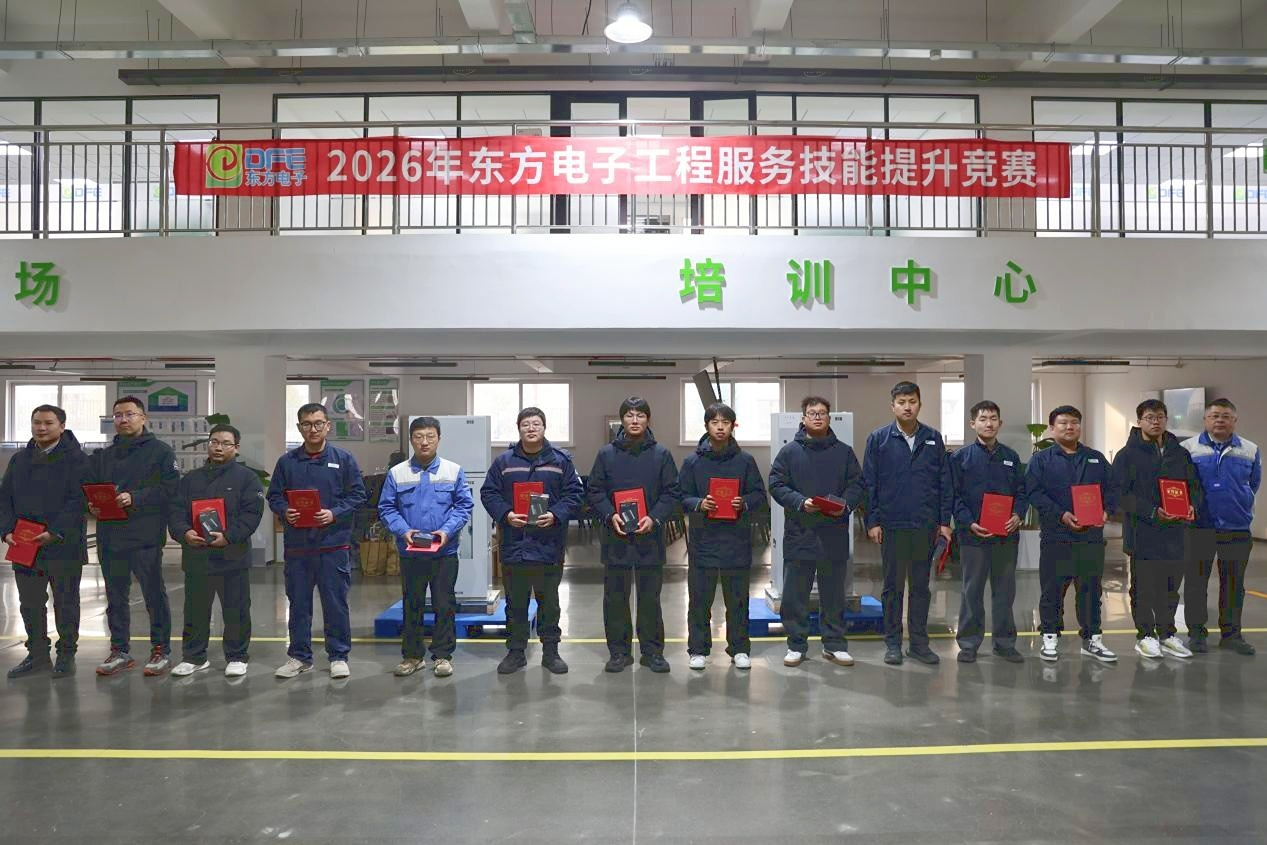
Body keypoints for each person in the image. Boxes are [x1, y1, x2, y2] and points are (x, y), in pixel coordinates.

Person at [480, 407, 583, 675]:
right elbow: (488, 492)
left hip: (548, 545)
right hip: (514, 544)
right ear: (519, 428)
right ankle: (516, 652)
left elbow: (575, 494)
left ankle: (551, 652)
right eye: (526, 424)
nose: (531, 428)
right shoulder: (504, 462)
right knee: (516, 603)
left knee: (549, 602)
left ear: (544, 428)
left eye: (536, 424)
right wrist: (506, 514)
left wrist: (555, 514)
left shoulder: (560, 461)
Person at [267, 403, 367, 680]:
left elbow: (358, 495)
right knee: (298, 603)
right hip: (298, 547)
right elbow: (274, 496)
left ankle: (338, 656)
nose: (313, 429)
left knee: (335, 603)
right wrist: (285, 510)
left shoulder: (343, 459)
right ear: (299, 427)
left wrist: (334, 513)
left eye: (318, 423)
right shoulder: (287, 462)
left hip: (333, 545)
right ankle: (300, 657)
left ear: (328, 426)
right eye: (307, 424)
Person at [586, 397, 681, 674]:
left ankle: (652, 652)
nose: (635, 420)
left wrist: (654, 518)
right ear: (622, 420)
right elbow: (594, 491)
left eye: (640, 415)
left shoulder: (661, 454)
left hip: (649, 537)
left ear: (648, 420)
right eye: (629, 415)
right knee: (615, 597)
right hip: (616, 537)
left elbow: (672, 492)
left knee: (650, 598)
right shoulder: (606, 454)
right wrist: (609, 515)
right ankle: (619, 652)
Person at [89, 396, 181, 676]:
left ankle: (160, 650)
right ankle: (119, 650)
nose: (123, 420)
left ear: (143, 418)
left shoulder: (161, 452)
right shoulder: (104, 456)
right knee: (115, 596)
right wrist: (91, 505)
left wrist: (136, 497)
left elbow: (171, 489)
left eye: (129, 414)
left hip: (145, 536)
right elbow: (90, 488)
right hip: (109, 535)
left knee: (154, 594)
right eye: (118, 415)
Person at [862, 381, 953, 666]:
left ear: (919, 404)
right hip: (892, 525)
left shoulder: (933, 438)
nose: (907, 407)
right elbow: (869, 484)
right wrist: (872, 521)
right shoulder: (878, 439)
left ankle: (919, 644)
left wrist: (944, 522)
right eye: (901, 402)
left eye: (912, 401)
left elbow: (944, 482)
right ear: (893, 406)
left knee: (921, 587)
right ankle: (892, 643)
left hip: (924, 525)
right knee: (892, 588)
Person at [769, 396, 862, 668]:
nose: (818, 417)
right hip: (801, 533)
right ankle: (796, 645)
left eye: (822, 413)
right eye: (812, 413)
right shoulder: (789, 452)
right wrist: (800, 502)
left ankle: (834, 644)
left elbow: (858, 485)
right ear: (803, 419)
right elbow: (776, 484)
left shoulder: (844, 452)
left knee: (833, 595)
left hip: (833, 533)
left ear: (829, 418)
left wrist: (844, 505)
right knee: (794, 595)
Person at [379, 416, 474, 679]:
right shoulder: (397, 473)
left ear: (439, 439)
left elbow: (464, 506)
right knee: (412, 603)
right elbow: (387, 508)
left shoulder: (453, 471)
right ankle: (412, 656)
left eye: (430, 436)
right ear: (411, 440)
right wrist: (403, 531)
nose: (424, 442)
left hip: (444, 552)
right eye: (419, 437)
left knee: (444, 604)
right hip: (411, 553)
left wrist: (446, 531)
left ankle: (442, 656)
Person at [167, 425, 265, 678]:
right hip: (197, 556)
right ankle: (194, 657)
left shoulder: (247, 479)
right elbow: (176, 512)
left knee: (236, 610)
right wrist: (184, 533)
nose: (218, 447)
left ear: (236, 448)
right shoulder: (191, 479)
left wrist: (229, 536)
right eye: (214, 442)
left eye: (225, 443)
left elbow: (251, 515)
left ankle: (237, 656)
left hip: (232, 556)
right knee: (195, 610)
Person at [1025, 405, 1119, 664]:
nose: (1070, 427)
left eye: (1074, 422)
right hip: (1057, 537)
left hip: (1090, 538)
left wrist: (1106, 511)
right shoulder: (1041, 460)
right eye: (1063, 423)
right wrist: (1061, 514)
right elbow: (1033, 493)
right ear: (1052, 428)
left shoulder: (1096, 458)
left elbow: (1112, 489)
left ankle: (1092, 638)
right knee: (1052, 590)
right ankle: (1050, 636)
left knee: (1090, 590)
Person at [0, 405, 88, 678]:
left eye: (48, 423)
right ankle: (37, 654)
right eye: (36, 422)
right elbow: (5, 497)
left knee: (66, 603)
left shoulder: (77, 460)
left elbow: (78, 500)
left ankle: (66, 655)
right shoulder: (19, 460)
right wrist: (6, 531)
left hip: (63, 544)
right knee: (29, 603)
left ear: (62, 426)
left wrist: (55, 531)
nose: (41, 427)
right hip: (25, 545)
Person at [679, 402, 768, 670]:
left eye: (725, 422)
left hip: (736, 540)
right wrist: (699, 503)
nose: (720, 427)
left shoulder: (745, 461)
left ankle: (739, 648)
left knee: (737, 599)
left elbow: (759, 494)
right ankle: (698, 649)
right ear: (706, 426)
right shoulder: (692, 462)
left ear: (732, 426)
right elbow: (680, 496)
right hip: (703, 540)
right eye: (715, 422)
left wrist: (744, 502)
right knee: (699, 599)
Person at [1113, 399, 1202, 660]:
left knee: (1170, 587)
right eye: (1150, 417)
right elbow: (1119, 494)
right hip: (1143, 532)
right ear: (1139, 421)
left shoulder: (1179, 453)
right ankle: (1145, 636)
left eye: (1160, 417)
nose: (1156, 422)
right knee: (1144, 588)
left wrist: (1192, 506)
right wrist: (1151, 511)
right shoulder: (1127, 455)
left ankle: (1167, 633)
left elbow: (1194, 487)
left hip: (1176, 532)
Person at [949, 400, 1027, 664]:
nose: (989, 423)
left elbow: (1022, 492)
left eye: (993, 418)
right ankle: (968, 643)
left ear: (1000, 423)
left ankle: (1004, 643)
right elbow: (954, 497)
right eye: (983, 419)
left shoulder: (1011, 457)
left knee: (1005, 592)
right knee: (971, 591)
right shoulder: (960, 458)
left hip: (1006, 536)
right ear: (973, 423)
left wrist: (1017, 515)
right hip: (973, 537)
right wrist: (969, 522)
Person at [1181, 398, 1261, 655]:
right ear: (1205, 420)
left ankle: (1232, 635)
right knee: (1196, 583)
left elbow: (1253, 483)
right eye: (1214, 415)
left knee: (1234, 584)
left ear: (1234, 421)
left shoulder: (1250, 449)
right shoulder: (1187, 448)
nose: (1220, 420)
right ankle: (1196, 634)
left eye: (1226, 416)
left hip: (1236, 527)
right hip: (1199, 527)